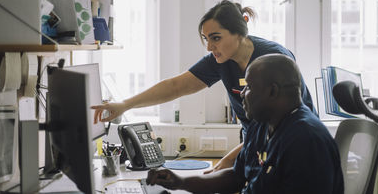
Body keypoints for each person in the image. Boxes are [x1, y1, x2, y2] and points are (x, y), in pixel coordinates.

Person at [92, 0, 315, 172]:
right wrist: (125, 105)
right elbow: (176, 86)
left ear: (240, 30)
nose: (209, 46)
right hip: (256, 150)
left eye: (215, 38)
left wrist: (229, 160)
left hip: (291, 150)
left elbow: (277, 128)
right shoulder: (221, 61)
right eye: (205, 38)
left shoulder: (274, 60)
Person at [146, 54, 344, 193]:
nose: (241, 93)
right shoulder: (263, 124)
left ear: (272, 91)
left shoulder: (306, 140)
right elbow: (236, 177)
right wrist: (180, 182)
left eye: (248, 87)